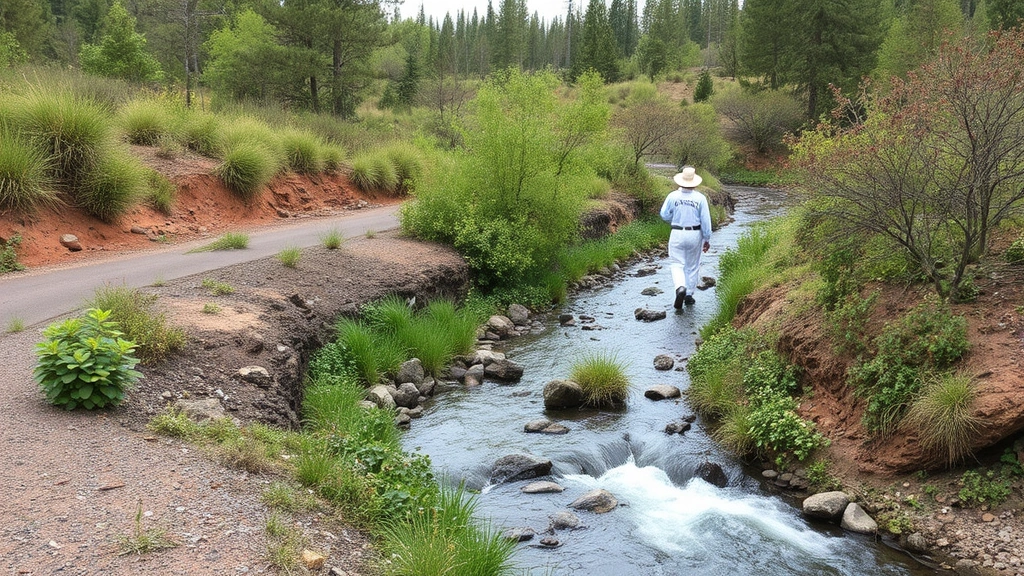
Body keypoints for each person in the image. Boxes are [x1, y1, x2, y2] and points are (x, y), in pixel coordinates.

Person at [659, 166, 712, 309]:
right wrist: (707, 238)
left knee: (677, 263)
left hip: (677, 231)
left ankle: (680, 288)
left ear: (680, 181)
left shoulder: (672, 196)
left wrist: (674, 218)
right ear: (694, 182)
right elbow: (705, 220)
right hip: (695, 233)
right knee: (693, 265)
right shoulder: (700, 198)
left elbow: (664, 214)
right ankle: (688, 295)